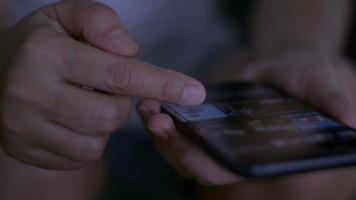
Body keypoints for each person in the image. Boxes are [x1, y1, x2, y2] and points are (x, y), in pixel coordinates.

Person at [1, 0, 356, 199]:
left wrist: (294, 48)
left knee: (311, 168)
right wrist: (7, 57)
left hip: (202, 58)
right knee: (30, 170)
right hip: (33, 60)